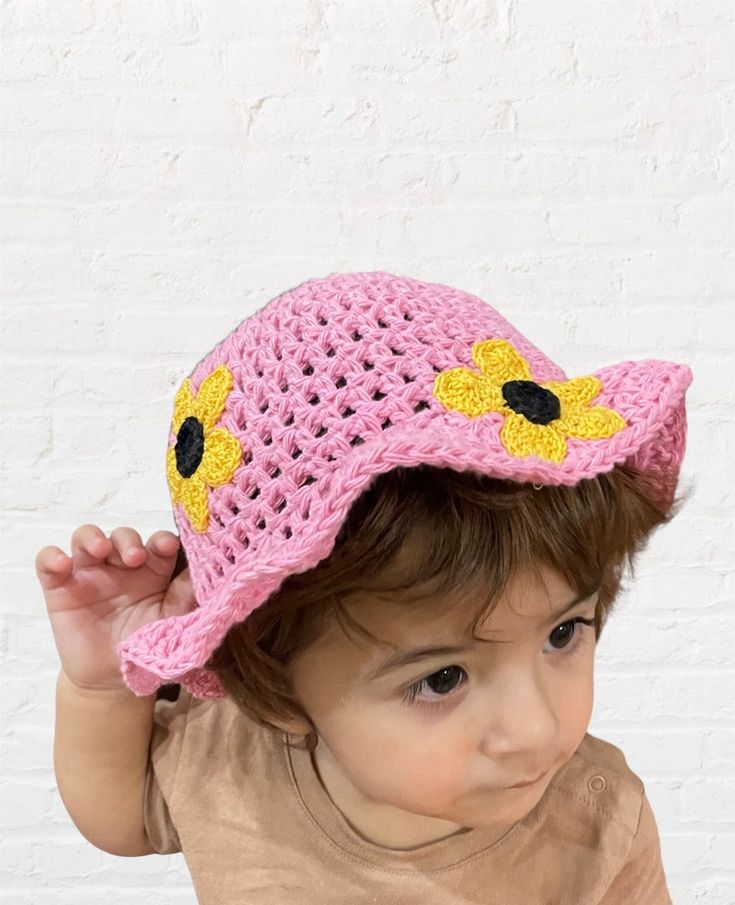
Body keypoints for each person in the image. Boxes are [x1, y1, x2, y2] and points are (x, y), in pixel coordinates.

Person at [37, 271, 692, 904]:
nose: (534, 726)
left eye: (561, 632)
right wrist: (101, 685)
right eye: (441, 678)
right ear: (275, 683)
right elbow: (120, 818)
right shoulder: (231, 762)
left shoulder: (598, 824)